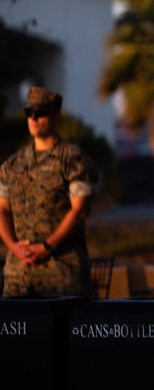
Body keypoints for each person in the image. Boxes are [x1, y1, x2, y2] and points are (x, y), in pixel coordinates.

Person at [0, 86, 98, 297]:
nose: (34, 118)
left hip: (62, 274)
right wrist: (13, 246)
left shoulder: (73, 159)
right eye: (29, 112)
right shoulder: (12, 164)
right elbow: (2, 210)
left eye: (41, 112)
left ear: (56, 116)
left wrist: (46, 247)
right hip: (19, 276)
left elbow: (80, 210)